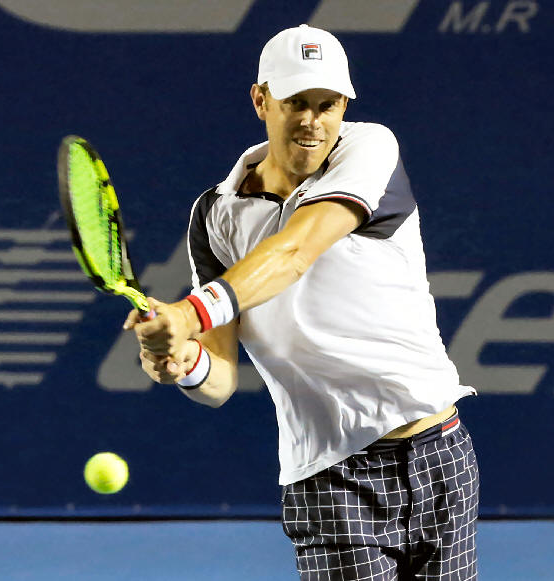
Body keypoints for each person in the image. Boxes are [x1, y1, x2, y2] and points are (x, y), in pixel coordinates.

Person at [124, 24, 479, 581]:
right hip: (331, 478)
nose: (313, 121)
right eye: (296, 103)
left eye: (327, 104)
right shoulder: (215, 214)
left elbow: (294, 251)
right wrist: (184, 363)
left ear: (343, 107)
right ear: (261, 100)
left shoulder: (370, 148)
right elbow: (220, 379)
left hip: (439, 454)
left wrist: (188, 314)